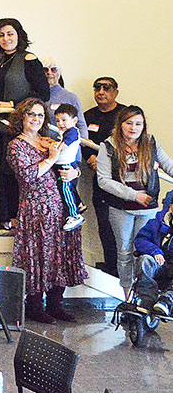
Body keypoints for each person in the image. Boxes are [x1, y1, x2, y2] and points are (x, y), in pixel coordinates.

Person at [7, 99, 86, 322]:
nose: (36, 119)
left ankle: (56, 304)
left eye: (40, 115)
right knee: (38, 255)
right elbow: (28, 176)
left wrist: (75, 173)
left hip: (61, 207)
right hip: (36, 208)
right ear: (22, 117)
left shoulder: (50, 140)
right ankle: (34, 306)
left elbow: (71, 161)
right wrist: (51, 159)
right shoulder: (16, 145)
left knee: (59, 255)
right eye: (31, 114)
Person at [0, 18, 50, 226]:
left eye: (10, 34)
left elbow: (43, 93)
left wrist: (13, 103)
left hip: (20, 129)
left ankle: (18, 218)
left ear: (19, 35)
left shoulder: (29, 59)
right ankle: (3, 218)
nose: (6, 39)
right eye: (2, 35)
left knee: (15, 175)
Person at [97, 106, 173, 298]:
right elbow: (103, 180)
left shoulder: (151, 143)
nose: (133, 127)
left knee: (144, 253)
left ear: (143, 126)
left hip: (148, 210)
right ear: (120, 124)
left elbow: (168, 166)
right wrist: (133, 195)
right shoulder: (108, 146)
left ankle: (143, 296)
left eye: (138, 123)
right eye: (129, 123)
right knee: (124, 252)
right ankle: (128, 296)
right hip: (120, 208)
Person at [83, 76, 125, 276]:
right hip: (99, 179)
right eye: (97, 87)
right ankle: (111, 266)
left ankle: (125, 267)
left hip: (124, 180)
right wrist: (90, 157)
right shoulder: (88, 116)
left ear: (115, 92)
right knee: (104, 223)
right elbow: (81, 141)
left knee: (123, 226)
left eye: (106, 88)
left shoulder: (125, 115)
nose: (101, 91)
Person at [133, 192, 173, 315]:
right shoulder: (155, 223)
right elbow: (140, 240)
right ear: (171, 207)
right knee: (145, 259)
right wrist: (155, 251)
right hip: (158, 263)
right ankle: (146, 299)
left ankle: (167, 300)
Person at [54, 104, 85, 230]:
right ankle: (79, 204)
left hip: (66, 165)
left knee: (66, 190)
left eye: (64, 120)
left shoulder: (72, 132)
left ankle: (75, 215)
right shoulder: (66, 132)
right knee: (70, 189)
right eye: (57, 120)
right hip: (63, 164)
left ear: (75, 120)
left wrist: (52, 147)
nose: (60, 123)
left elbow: (62, 147)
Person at [43, 59, 89, 140]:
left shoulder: (71, 97)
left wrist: (81, 143)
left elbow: (81, 124)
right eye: (45, 69)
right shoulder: (35, 96)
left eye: (54, 70)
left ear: (59, 73)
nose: (49, 73)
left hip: (65, 145)